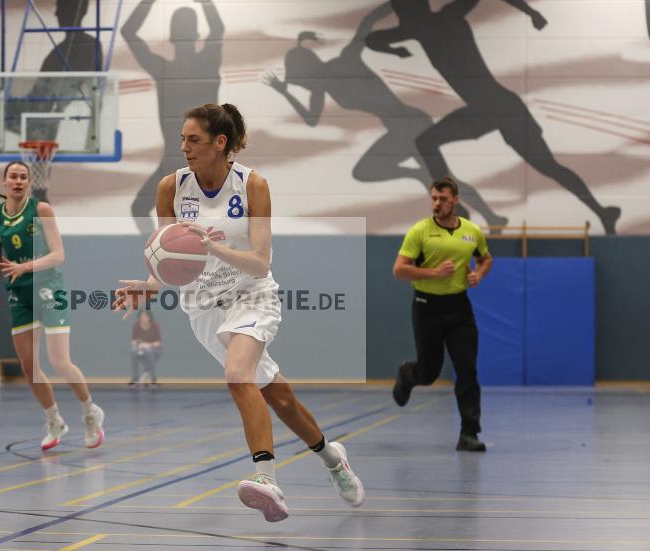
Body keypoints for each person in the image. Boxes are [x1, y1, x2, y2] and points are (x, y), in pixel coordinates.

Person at [114, 103, 364, 522]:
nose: (185, 147)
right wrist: (150, 286)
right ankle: (333, 459)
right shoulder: (170, 188)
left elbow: (260, 262)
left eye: (193, 140)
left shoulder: (253, 185)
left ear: (220, 142)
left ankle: (266, 479)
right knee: (280, 399)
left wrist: (213, 247)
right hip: (203, 309)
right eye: (183, 139)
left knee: (237, 374)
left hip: (252, 296)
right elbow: (169, 259)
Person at [366, 0, 620, 234]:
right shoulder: (433, 23)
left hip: (498, 106)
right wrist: (529, 12)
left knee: (547, 165)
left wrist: (530, 11)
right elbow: (372, 40)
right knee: (427, 143)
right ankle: (455, 209)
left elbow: (373, 39)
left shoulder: (429, 24)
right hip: (490, 108)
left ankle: (603, 212)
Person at [262, 3, 505, 229]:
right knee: (426, 177)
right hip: (402, 128)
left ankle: (482, 213)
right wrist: (286, 94)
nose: (303, 85)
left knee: (431, 178)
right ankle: (488, 215)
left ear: (309, 71)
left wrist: (396, 4)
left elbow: (367, 22)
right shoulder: (321, 89)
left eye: (301, 80)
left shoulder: (347, 59)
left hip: (409, 123)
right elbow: (311, 120)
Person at [0, 161, 105, 451]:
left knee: (60, 360)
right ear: (4, 181)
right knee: (28, 367)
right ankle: (54, 420)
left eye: (24, 177)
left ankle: (90, 412)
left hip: (50, 288)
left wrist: (28, 267)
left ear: (28, 182)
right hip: (19, 295)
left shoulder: (41, 210)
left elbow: (59, 254)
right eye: (14, 176)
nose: (19, 181)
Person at [392, 176, 492, 452]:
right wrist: (433, 273)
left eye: (443, 199)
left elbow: (486, 258)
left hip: (460, 308)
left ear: (455, 200)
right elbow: (399, 269)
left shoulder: (471, 231)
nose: (437, 204)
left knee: (467, 370)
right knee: (429, 372)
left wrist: (479, 274)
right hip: (427, 307)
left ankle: (469, 433)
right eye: (434, 198)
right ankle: (408, 374)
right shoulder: (420, 232)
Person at [122, 0, 223, 235]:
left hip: (184, 162)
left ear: (171, 37)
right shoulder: (207, 61)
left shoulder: (163, 68)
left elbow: (128, 32)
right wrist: (206, 3)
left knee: (143, 207)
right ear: (197, 34)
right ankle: (164, 250)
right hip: (188, 162)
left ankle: (161, 250)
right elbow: (217, 29)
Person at [130, 310, 162, 386]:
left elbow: (158, 343)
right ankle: (135, 377)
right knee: (133, 351)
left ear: (149, 317)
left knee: (148, 350)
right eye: (142, 316)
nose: (143, 318)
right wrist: (139, 344)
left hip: (153, 350)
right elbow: (133, 341)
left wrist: (148, 345)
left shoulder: (155, 326)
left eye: (145, 316)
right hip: (140, 348)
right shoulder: (136, 326)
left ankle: (153, 378)